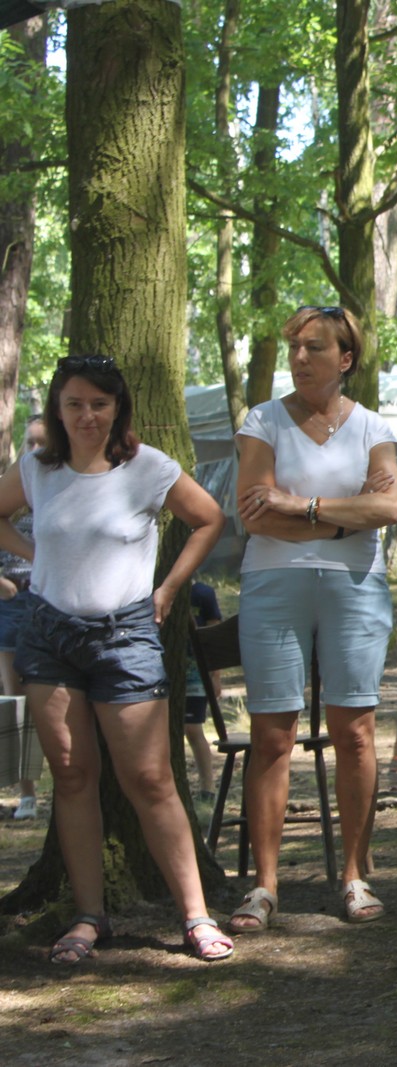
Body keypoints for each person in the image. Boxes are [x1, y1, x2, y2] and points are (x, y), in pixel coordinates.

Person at [0, 355, 230, 963]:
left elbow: (208, 519)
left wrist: (169, 590)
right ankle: (87, 917)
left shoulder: (146, 467)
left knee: (151, 780)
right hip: (49, 635)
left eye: (99, 404)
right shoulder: (37, 469)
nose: (86, 416)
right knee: (73, 778)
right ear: (57, 408)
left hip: (125, 637)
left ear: (118, 409)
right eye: (74, 404)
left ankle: (196, 916)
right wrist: (34, 559)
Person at [228, 305, 397, 933]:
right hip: (274, 584)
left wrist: (302, 506)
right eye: (295, 347)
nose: (300, 358)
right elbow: (255, 513)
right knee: (272, 733)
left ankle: (355, 875)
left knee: (354, 731)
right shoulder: (263, 420)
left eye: (316, 347)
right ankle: (264, 885)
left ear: (346, 359)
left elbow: (392, 504)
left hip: (356, 588)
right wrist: (340, 519)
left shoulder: (373, 427)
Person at [3, 415, 45, 820]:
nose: (34, 451)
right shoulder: (10, 491)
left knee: (50, 697)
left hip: (52, 600)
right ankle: (26, 793)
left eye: (42, 443)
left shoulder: (60, 488)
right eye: (28, 443)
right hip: (11, 605)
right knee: (14, 700)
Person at [182, 580, 222, 816]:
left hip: (197, 673)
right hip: (167, 671)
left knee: (193, 729)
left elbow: (213, 636)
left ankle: (207, 787)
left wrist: (215, 676)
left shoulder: (204, 593)